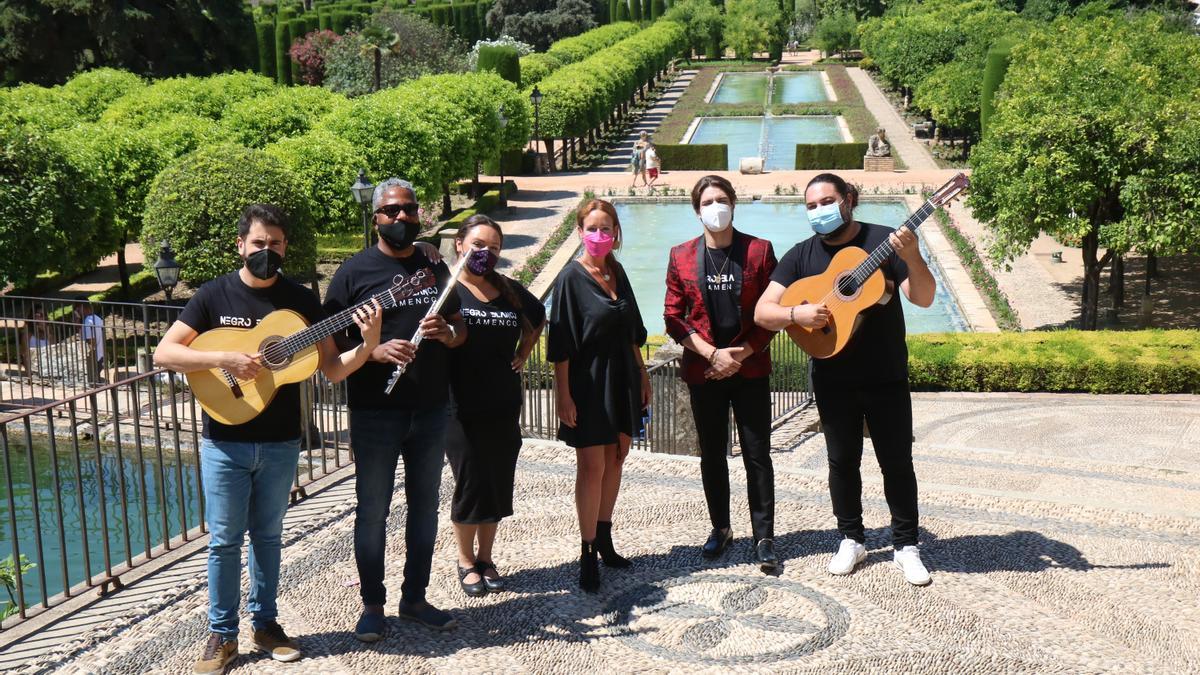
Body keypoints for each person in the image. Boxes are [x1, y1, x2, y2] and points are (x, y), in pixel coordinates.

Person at [154, 203, 384, 675]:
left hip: (281, 442)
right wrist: (226, 359)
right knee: (223, 541)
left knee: (268, 538)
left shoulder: (300, 301)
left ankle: (266, 624)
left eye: (276, 244)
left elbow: (334, 368)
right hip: (224, 440)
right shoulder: (214, 296)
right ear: (241, 245)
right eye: (259, 243)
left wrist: (370, 338)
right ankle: (222, 635)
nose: (267, 251)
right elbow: (165, 352)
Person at [753, 173, 937, 587]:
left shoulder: (886, 240)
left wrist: (916, 255)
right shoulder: (801, 256)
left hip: (886, 373)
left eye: (826, 201)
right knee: (841, 462)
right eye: (811, 205)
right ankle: (851, 538)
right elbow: (763, 312)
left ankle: (906, 545)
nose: (819, 211)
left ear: (849, 199)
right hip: (833, 377)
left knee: (897, 462)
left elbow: (922, 297)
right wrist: (794, 315)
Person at [323, 177, 468, 640]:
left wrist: (448, 333)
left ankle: (415, 598)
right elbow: (331, 339)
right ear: (376, 218)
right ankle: (372, 605)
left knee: (424, 508)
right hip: (375, 412)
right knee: (372, 511)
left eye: (408, 210)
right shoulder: (352, 273)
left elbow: (461, 327)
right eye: (391, 211)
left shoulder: (434, 267)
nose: (400, 218)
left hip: (429, 411)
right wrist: (375, 351)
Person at [663, 175, 779, 572]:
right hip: (705, 372)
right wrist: (713, 355)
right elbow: (673, 317)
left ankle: (764, 536)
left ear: (733, 203)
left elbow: (773, 312)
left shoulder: (760, 252)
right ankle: (721, 528)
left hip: (750, 370)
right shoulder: (680, 255)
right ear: (697, 211)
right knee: (712, 456)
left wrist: (741, 354)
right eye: (708, 201)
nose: (716, 207)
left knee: (757, 455)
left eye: (722, 199)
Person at [547, 199, 650, 593]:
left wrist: (642, 374)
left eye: (606, 228)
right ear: (579, 231)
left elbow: (632, 331)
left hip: (623, 376)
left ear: (616, 233)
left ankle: (605, 536)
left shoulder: (617, 270)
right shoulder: (571, 279)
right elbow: (561, 343)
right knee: (591, 467)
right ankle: (587, 549)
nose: (599, 235)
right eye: (592, 228)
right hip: (589, 383)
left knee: (617, 458)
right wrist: (563, 395)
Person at [445, 214, 546, 597]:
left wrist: (524, 351)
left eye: (494, 248)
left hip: (504, 402)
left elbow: (538, 318)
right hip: (459, 406)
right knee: (470, 482)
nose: (485, 253)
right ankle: (464, 560)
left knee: (497, 482)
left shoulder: (507, 290)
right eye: (479, 245)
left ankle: (486, 557)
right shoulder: (448, 290)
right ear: (460, 244)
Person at [75, 300, 104, 384]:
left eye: (76, 309)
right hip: (100, 356)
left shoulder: (88, 322)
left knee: (92, 385)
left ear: (80, 307)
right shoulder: (97, 318)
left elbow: (91, 343)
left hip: (93, 360)